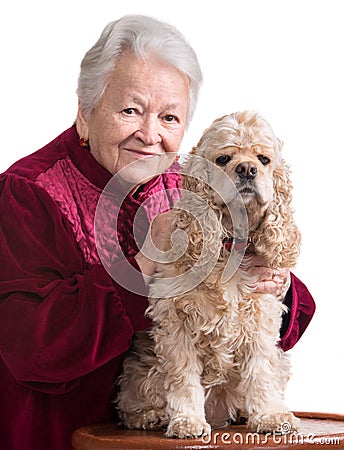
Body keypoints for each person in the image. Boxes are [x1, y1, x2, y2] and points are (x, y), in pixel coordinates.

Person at [0, 14, 315, 450]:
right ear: (85, 113)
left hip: (174, 439)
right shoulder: (28, 192)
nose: (150, 135)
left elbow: (268, 325)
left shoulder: (188, 180)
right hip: (61, 438)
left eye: (170, 118)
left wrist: (275, 284)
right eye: (130, 110)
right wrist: (147, 262)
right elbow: (29, 347)